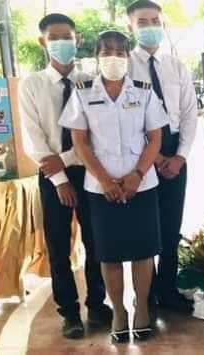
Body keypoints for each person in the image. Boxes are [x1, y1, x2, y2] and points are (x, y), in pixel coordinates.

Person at [59, 30, 168, 343]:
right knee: (110, 254)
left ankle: (142, 307)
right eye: (107, 51)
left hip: (141, 185)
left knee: (143, 252)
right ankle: (119, 311)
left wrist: (137, 175)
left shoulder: (143, 92)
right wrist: (105, 180)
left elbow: (155, 138)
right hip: (101, 188)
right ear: (97, 56)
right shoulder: (83, 93)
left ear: (128, 57)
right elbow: (80, 142)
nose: (114, 58)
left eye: (120, 52)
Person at [18, 13, 111, 339]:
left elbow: (96, 133)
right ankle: (69, 313)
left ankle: (97, 304)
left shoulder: (91, 82)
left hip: (89, 170)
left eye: (67, 37)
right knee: (58, 246)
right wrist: (60, 179)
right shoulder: (31, 84)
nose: (61, 43)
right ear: (42, 42)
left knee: (96, 241)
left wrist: (69, 159)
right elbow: (33, 139)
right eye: (54, 37)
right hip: (51, 175)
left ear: (77, 40)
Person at [126, 0, 198, 313]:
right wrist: (154, 159)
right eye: (142, 22)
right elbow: (127, 119)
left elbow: (190, 113)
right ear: (130, 26)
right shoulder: (125, 66)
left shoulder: (175, 66)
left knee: (171, 225)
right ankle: (145, 294)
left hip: (174, 149)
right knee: (145, 227)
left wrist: (180, 156)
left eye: (155, 21)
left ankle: (167, 289)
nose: (150, 27)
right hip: (140, 155)